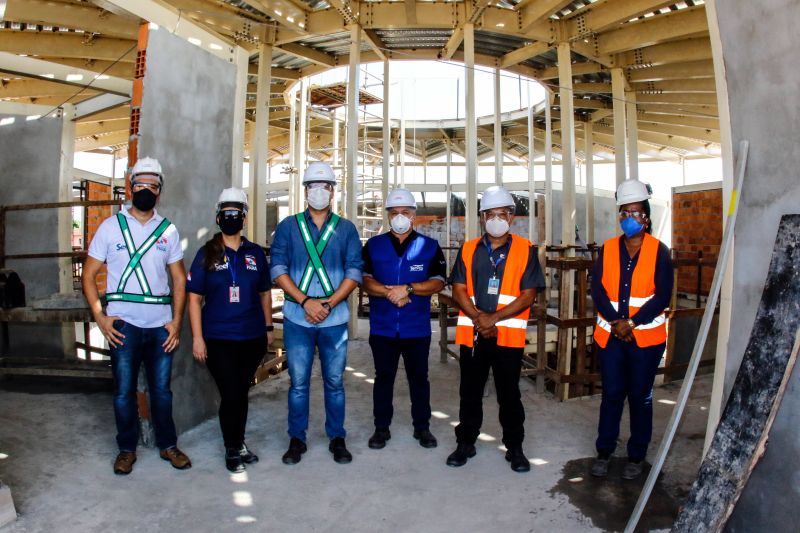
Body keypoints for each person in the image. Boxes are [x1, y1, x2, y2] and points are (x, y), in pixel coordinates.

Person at [82, 157, 191, 475]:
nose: (146, 190)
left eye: (153, 185)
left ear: (160, 191)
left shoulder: (168, 230)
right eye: (140, 184)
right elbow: (89, 275)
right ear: (131, 187)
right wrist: (101, 318)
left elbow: (180, 280)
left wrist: (176, 322)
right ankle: (126, 449)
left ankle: (167, 445)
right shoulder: (110, 226)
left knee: (162, 391)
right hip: (123, 325)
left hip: (160, 326)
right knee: (123, 391)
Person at [269, 161, 363, 465]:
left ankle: (337, 436)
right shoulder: (288, 226)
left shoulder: (346, 229)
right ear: (305, 191)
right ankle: (297, 438)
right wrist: (306, 301)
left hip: (333, 320)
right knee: (298, 383)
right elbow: (278, 268)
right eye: (313, 186)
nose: (319, 191)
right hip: (298, 318)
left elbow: (354, 272)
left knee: (334, 381)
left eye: (324, 186)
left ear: (333, 192)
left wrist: (329, 303)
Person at [447, 186, 545, 473]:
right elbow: (458, 289)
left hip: (507, 337)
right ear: (482, 218)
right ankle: (466, 443)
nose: (496, 219)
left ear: (512, 217)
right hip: (474, 335)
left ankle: (515, 448)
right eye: (490, 214)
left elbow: (528, 295)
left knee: (509, 394)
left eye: (502, 214)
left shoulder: (526, 250)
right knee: (470, 392)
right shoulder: (468, 249)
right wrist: (480, 318)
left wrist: (494, 319)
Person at [590, 179, 673, 480]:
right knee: (611, 393)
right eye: (624, 212)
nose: (629, 218)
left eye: (636, 213)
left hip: (645, 339)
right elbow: (597, 290)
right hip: (611, 336)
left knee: (640, 395)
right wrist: (616, 322)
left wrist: (632, 323)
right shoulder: (609, 248)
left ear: (647, 218)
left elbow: (662, 296)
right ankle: (604, 451)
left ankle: (636, 456)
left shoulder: (659, 251)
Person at [186, 188, 274, 473]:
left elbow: (264, 294)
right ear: (218, 218)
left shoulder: (256, 254)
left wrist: (268, 328)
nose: (232, 218)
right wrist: (198, 338)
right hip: (218, 339)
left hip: (251, 338)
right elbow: (194, 298)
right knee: (232, 393)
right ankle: (231, 447)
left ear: (245, 218)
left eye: (237, 213)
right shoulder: (206, 253)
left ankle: (239, 441)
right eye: (227, 213)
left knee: (240, 393)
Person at [361, 188, 447, 450]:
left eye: (405, 212)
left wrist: (408, 289)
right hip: (383, 327)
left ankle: (422, 428)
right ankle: (381, 428)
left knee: (419, 378)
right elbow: (365, 281)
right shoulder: (373, 246)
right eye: (395, 212)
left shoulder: (429, 246)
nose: (400, 217)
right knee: (383, 378)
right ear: (388, 216)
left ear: (414, 216)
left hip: (416, 328)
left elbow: (438, 282)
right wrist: (392, 292)